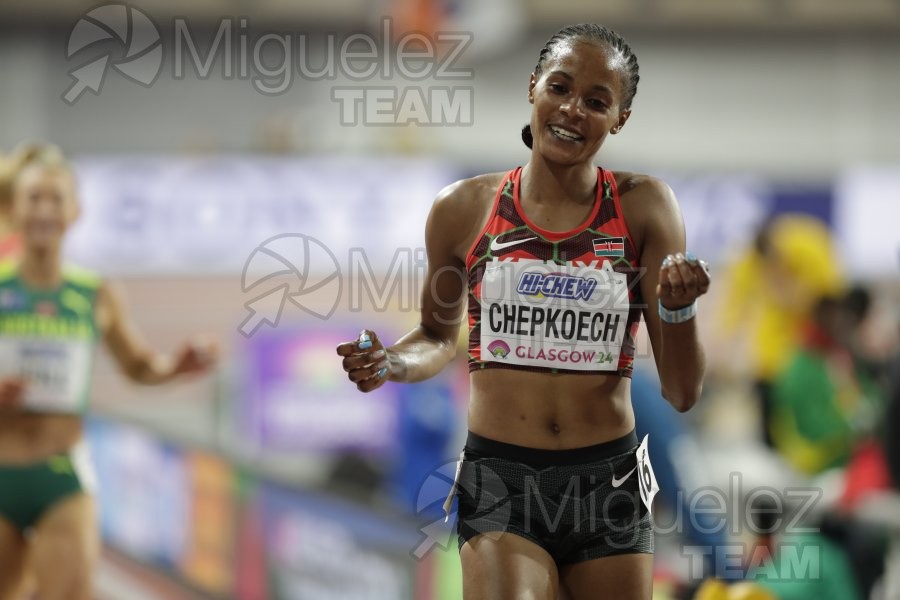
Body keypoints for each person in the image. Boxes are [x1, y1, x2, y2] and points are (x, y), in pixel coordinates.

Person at [338, 23, 710, 599]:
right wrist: (391, 362)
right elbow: (437, 336)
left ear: (620, 119)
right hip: (501, 480)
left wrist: (678, 310)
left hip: (607, 485)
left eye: (596, 101)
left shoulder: (644, 209)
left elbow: (683, 393)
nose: (571, 110)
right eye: (559, 88)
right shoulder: (463, 210)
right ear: (532, 86)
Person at [0, 144, 217, 600]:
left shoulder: (96, 293)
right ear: (13, 209)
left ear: (74, 210)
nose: (43, 209)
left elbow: (139, 366)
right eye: (33, 198)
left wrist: (173, 368)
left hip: (61, 477)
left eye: (54, 199)